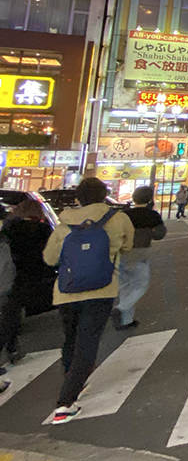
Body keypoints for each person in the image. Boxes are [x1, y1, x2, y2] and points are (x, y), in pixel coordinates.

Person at [42, 177, 134, 424]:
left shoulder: (65, 223)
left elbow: (50, 258)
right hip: (101, 289)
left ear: (78, 198)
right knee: (88, 343)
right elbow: (127, 246)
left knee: (71, 339)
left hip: (66, 290)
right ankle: (66, 401)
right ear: (105, 195)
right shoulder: (118, 218)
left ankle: (72, 380)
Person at [0, 200, 54, 365]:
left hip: (7, 274)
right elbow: (47, 255)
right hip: (25, 276)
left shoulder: (8, 228)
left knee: (9, 314)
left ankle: (12, 347)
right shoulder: (42, 229)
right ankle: (10, 348)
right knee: (12, 314)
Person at [113, 185, 167, 331]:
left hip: (121, 253)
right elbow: (160, 234)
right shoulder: (152, 215)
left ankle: (126, 320)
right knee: (140, 285)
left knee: (125, 287)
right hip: (140, 253)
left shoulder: (123, 214)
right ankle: (121, 308)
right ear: (150, 199)